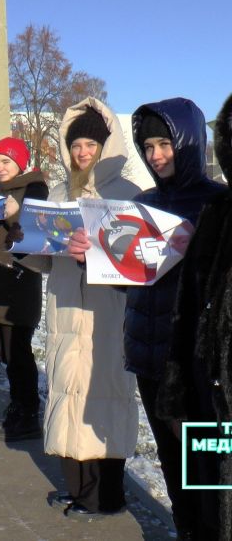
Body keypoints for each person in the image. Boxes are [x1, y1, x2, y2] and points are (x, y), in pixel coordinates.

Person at [116, 98, 227, 538]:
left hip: (200, 368)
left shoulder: (219, 203)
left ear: (190, 141)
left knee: (210, 471)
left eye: (165, 143)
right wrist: (95, 259)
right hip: (150, 357)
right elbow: (130, 280)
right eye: (148, 146)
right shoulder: (142, 203)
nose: (155, 155)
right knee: (174, 467)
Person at [34, 98, 143, 519]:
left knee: (106, 399)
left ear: (106, 146)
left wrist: (94, 255)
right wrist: (21, 240)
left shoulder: (128, 195)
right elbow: (43, 257)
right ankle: (79, 491)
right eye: (76, 144)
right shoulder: (60, 193)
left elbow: (138, 264)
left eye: (90, 144)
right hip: (65, 310)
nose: (82, 152)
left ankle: (109, 497)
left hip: (109, 315)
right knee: (68, 395)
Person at [156, 94, 232, 540]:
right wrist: (177, 392)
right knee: (208, 506)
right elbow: (189, 311)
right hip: (208, 398)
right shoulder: (218, 214)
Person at [0, 137, 48, 442]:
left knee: (19, 350)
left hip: (20, 278)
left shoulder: (34, 187)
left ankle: (29, 414)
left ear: (20, 162)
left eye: (6, 161)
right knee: (6, 351)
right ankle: (17, 408)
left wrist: (12, 213)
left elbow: (35, 226)